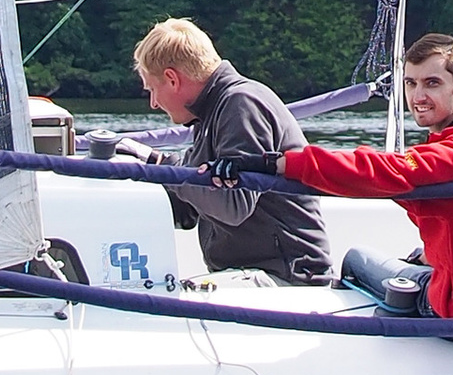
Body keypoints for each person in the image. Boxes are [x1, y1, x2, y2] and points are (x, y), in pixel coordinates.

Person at [279, 32, 453, 326]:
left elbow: (385, 170)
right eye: (410, 83)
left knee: (355, 259)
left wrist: (288, 163)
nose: (417, 97)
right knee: (416, 256)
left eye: (432, 83)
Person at [130, 18, 334, 284]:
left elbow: (233, 206)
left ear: (172, 79)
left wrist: (166, 167)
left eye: (152, 90)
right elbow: (190, 209)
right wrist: (131, 187)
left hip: (287, 279)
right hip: (255, 273)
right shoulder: (211, 113)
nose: (154, 103)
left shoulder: (241, 105)